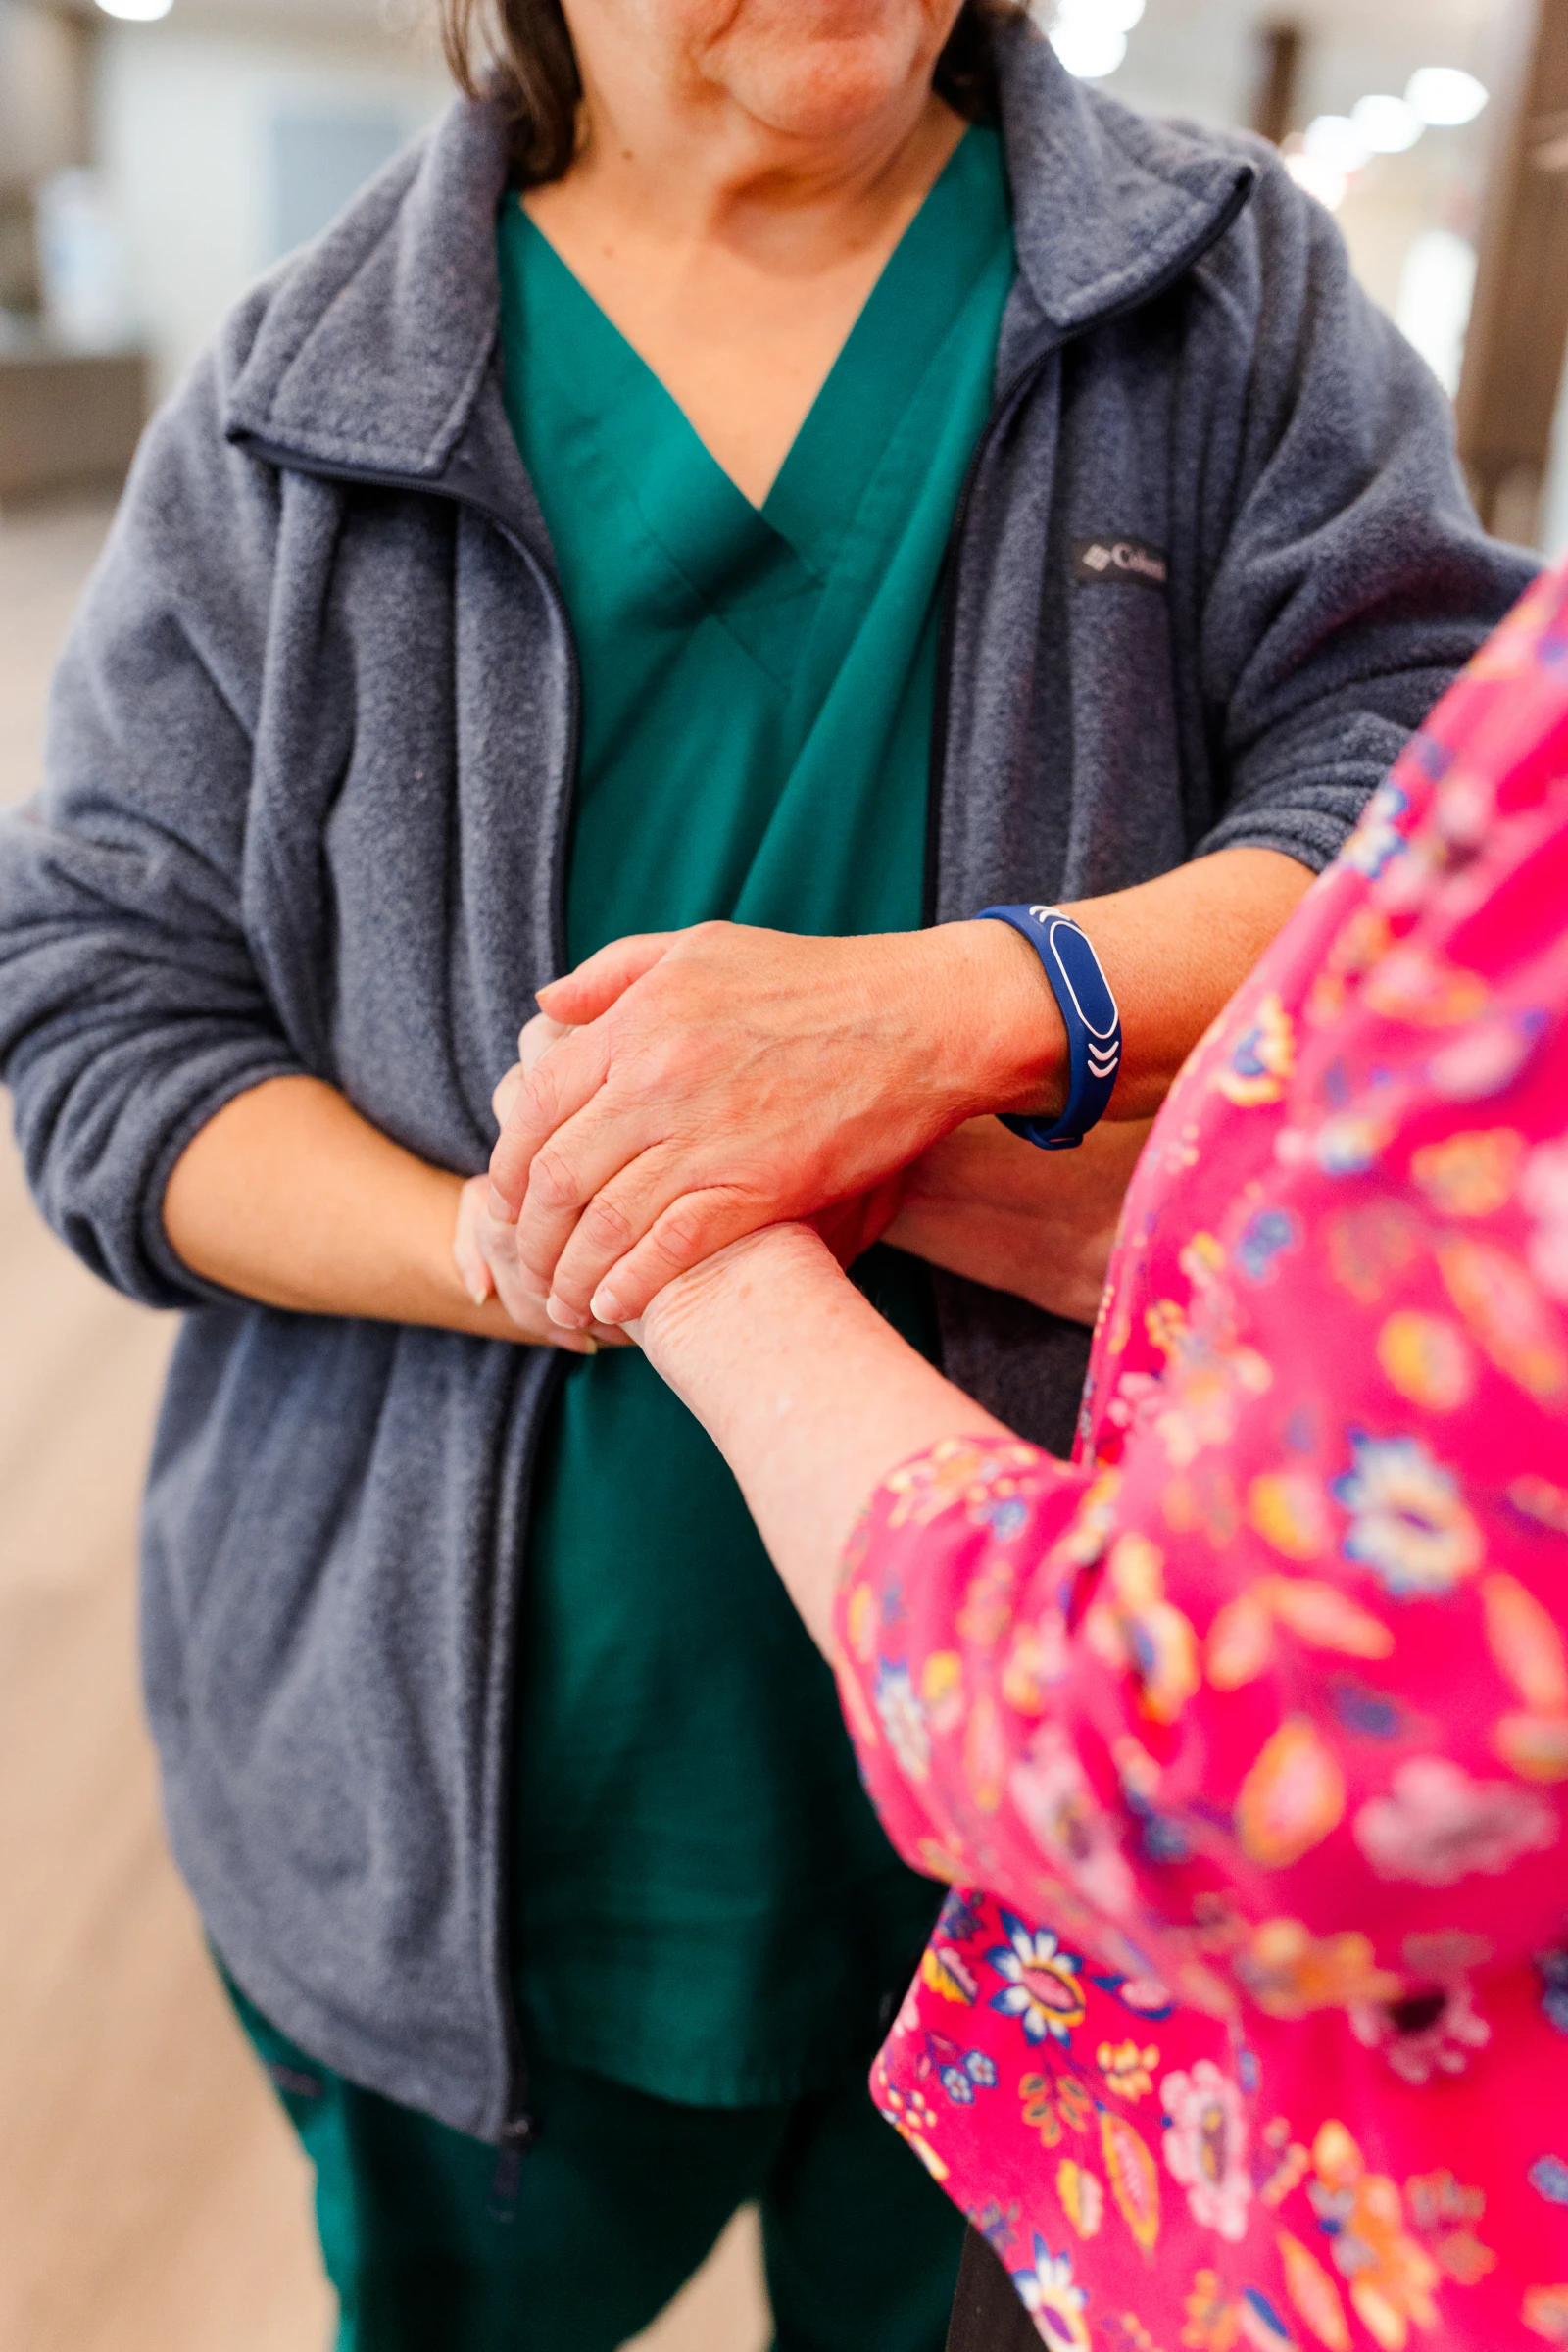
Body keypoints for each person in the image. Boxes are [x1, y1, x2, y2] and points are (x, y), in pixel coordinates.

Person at [0, 0, 1531, 2341]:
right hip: (470, 1800)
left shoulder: (1211, 292)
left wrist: (972, 1005)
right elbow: (103, 1003)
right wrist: (569, 1242)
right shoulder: (292, 399)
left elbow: (1431, 801)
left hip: (1073, 1814)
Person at [626, 558, 1568, 2351]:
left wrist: (706, 1259)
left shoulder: (1241, 312)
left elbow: (1208, 1737)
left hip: (1339, 2228)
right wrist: (1037, 1195)